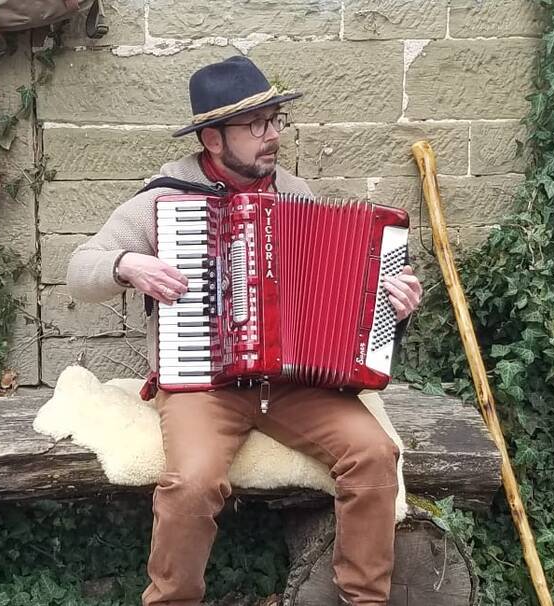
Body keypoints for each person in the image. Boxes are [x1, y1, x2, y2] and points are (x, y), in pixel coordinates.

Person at [66, 56, 423, 606]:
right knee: (192, 485)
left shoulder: (297, 196)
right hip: (203, 379)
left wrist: (392, 304)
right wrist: (125, 266)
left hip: (289, 382)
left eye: (275, 119)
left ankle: (363, 599)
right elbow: (79, 270)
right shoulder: (165, 198)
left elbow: (342, 299)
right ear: (212, 137)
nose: (272, 134)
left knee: (374, 454)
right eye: (256, 124)